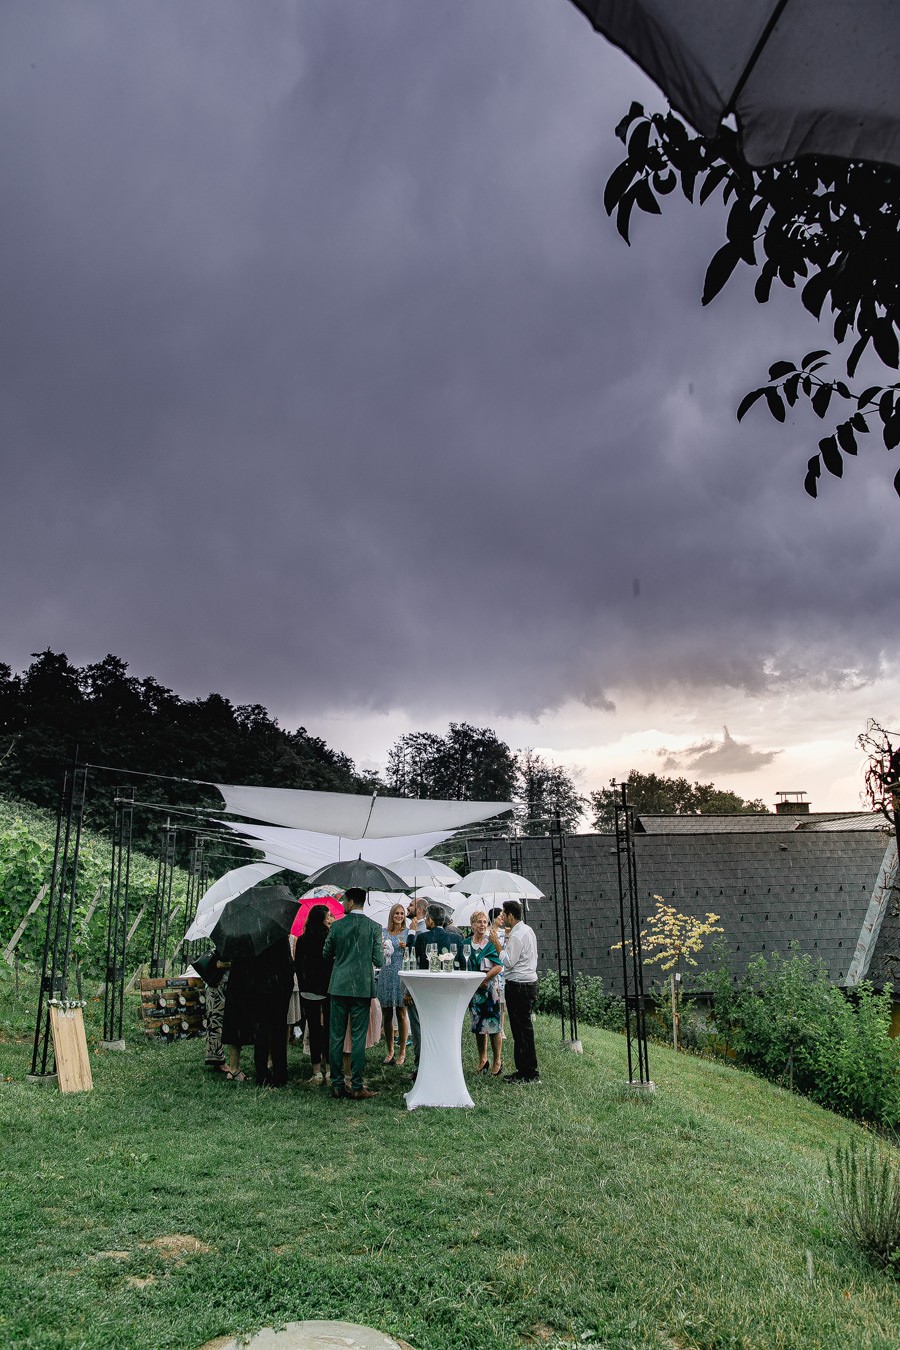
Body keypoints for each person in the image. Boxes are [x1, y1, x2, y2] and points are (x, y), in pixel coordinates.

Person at [322, 887, 384, 1100]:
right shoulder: (374, 927)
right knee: (358, 1037)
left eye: (344, 901)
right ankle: (357, 1085)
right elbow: (380, 960)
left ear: (350, 902)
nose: (342, 905)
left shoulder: (337, 926)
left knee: (336, 1035)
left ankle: (337, 1084)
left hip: (339, 985)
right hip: (362, 986)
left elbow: (326, 953)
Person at [406, 904, 466, 1070]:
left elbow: (410, 955)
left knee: (421, 1026)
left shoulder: (423, 938)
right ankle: (446, 1062)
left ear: (430, 920)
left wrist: (412, 932)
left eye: (426, 918)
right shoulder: (455, 938)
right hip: (448, 991)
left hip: (426, 989)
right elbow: (462, 964)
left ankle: (421, 1063)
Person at [499, 899, 540, 1083]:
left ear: (510, 915)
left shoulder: (516, 935)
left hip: (518, 985)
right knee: (524, 1028)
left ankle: (527, 1072)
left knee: (520, 1030)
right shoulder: (527, 930)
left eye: (503, 914)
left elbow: (508, 961)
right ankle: (526, 1069)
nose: (502, 917)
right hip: (529, 983)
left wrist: (497, 944)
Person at [246, 936, 295, 1088]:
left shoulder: (254, 937)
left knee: (261, 1032)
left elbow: (250, 965)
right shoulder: (280, 938)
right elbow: (288, 966)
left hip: (258, 989)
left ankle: (262, 1073)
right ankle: (280, 1072)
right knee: (278, 1032)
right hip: (278, 989)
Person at [294, 904, 335, 1084]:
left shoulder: (302, 940)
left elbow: (298, 965)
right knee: (329, 1029)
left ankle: (316, 1070)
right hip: (327, 989)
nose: (330, 919)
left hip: (309, 990)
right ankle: (329, 1069)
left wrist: (303, 987)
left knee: (313, 1029)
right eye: (328, 916)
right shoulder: (329, 938)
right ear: (322, 919)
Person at [465, 910, 503, 1076]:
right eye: (479, 922)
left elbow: (499, 965)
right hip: (474, 991)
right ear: (472, 924)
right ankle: (483, 1059)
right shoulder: (466, 944)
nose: (482, 925)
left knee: (493, 1025)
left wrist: (484, 978)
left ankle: (497, 1060)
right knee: (479, 1026)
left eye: (485, 922)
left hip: (489, 989)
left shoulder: (490, 943)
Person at [376, 902, 409, 1066]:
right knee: (387, 1014)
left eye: (402, 914)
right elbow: (377, 952)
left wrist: (406, 948)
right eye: (397, 913)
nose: (399, 916)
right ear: (392, 915)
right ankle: (390, 1050)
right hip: (386, 974)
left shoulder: (407, 933)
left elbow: (412, 955)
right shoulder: (383, 933)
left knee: (402, 1013)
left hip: (401, 974)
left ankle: (402, 1050)